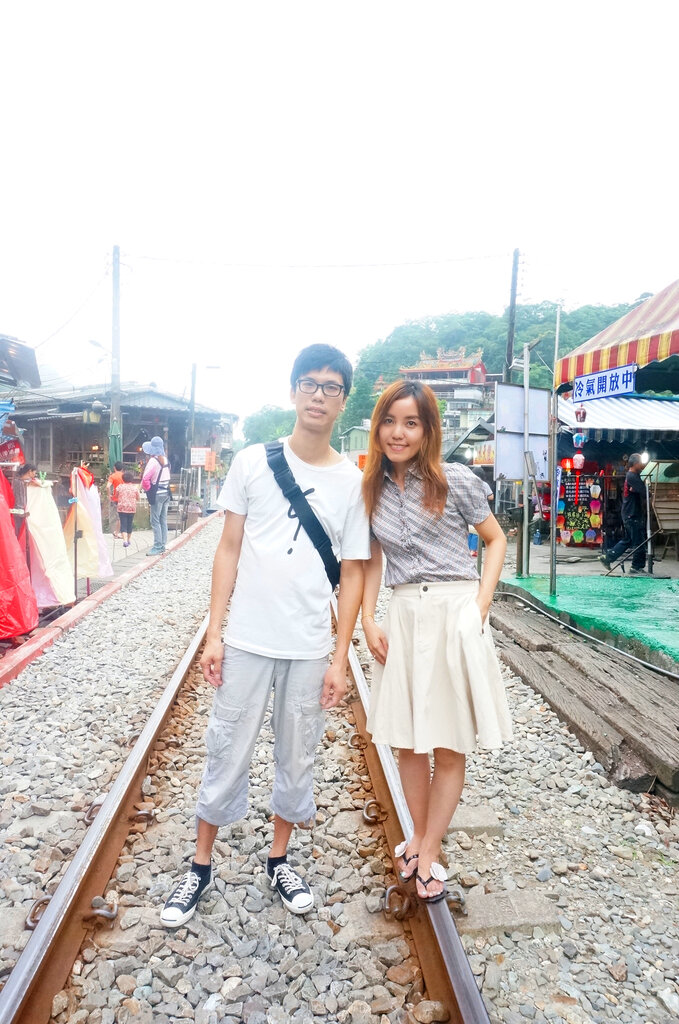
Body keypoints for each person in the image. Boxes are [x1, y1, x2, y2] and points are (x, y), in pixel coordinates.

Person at [160, 344, 370, 927]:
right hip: (249, 638)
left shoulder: (352, 483)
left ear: (344, 400)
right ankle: (200, 866)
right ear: (293, 390)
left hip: (309, 646)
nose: (319, 395)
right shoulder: (253, 462)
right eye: (310, 383)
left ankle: (279, 859)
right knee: (226, 747)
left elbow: (354, 572)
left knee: (297, 755)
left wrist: (340, 657)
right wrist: (214, 633)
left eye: (331, 387)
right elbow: (227, 549)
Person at [361, 380, 512, 903]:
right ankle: (420, 839)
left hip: (454, 610)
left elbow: (496, 539)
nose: (398, 433)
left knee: (448, 741)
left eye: (411, 423)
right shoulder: (372, 489)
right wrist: (368, 619)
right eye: (389, 421)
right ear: (377, 427)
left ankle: (426, 850)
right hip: (404, 612)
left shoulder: (456, 480)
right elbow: (372, 559)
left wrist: (480, 606)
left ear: (428, 430)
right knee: (407, 740)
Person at [599, 453, 649, 575]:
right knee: (638, 542)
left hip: (629, 513)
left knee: (628, 540)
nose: (642, 465)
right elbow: (644, 492)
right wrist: (646, 490)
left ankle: (608, 557)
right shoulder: (633, 476)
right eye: (640, 463)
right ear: (635, 463)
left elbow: (640, 491)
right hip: (632, 514)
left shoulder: (632, 476)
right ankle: (636, 567)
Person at [141, 437, 171, 556]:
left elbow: (145, 479)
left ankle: (157, 546)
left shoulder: (153, 461)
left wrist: (148, 489)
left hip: (157, 494)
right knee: (163, 519)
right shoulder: (166, 459)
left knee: (154, 520)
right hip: (166, 493)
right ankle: (163, 544)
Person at [115, 471, 140, 547]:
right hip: (131, 508)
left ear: (123, 479)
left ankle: (125, 540)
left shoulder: (119, 487)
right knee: (129, 524)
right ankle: (128, 540)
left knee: (123, 524)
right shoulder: (134, 488)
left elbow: (116, 495)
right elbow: (138, 498)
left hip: (122, 508)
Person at [107, 461, 125, 538]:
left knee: (116, 516)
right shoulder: (124, 476)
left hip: (115, 498)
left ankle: (116, 532)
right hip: (123, 498)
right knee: (121, 516)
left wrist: (109, 495)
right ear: (122, 468)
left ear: (114, 468)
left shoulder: (112, 476)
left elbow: (108, 486)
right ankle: (118, 532)